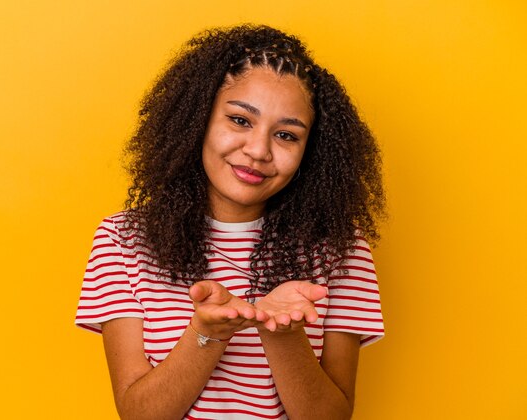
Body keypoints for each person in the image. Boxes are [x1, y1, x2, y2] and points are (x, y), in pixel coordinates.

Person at [75, 24, 386, 420]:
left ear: (313, 152)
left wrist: (285, 335)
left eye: (287, 135)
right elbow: (139, 414)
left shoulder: (341, 250)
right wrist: (207, 333)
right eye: (240, 120)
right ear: (197, 121)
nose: (258, 150)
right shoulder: (124, 239)